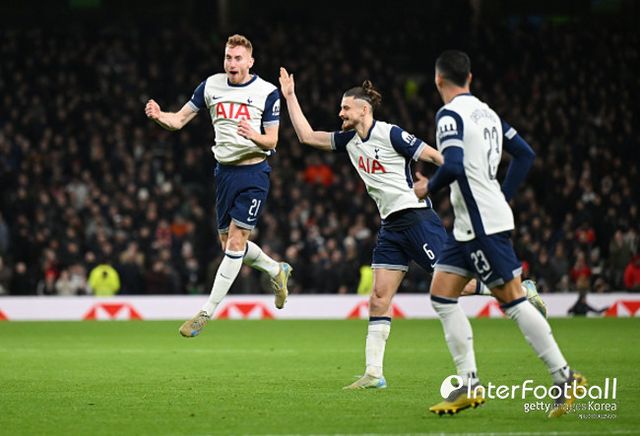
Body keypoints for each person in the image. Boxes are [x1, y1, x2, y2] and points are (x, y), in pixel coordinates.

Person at [278, 68, 545, 390]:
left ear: (364, 109)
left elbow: (434, 155)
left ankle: (521, 291)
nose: (340, 113)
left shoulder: (391, 134)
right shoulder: (349, 141)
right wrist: (290, 96)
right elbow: (307, 136)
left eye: (345, 107)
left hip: (417, 219)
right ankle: (373, 373)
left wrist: (459, 178)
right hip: (390, 226)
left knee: (455, 286)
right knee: (378, 297)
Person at [413, 50, 585, 418]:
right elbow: (525, 154)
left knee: (513, 302)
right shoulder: (488, 114)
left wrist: (428, 187)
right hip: (469, 225)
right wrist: (502, 196)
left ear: (438, 79)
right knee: (442, 295)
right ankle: (469, 384)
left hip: (481, 226)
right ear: (470, 78)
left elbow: (453, 165)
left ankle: (565, 377)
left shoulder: (449, 115)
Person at [145, 34, 292, 337]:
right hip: (224, 174)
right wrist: (160, 117)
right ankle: (276, 269)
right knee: (227, 246)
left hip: (253, 174)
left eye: (238, 58)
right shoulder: (211, 86)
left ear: (250, 61)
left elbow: (272, 140)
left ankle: (205, 312)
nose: (231, 63)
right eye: (228, 57)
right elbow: (179, 120)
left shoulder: (267, 92)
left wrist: (253, 135)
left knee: (236, 242)